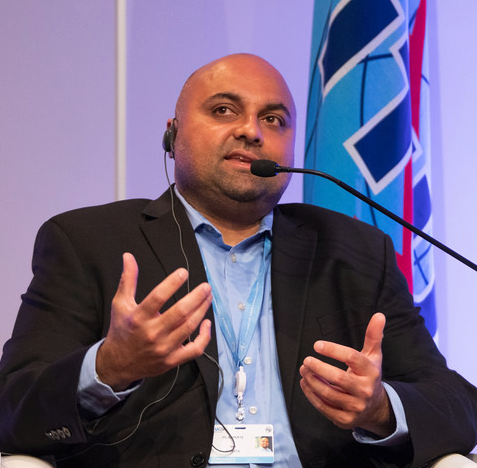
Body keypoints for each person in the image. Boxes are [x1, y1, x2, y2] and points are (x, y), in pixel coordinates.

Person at [0, 53, 476, 468]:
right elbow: (11, 407)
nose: (251, 131)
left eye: (274, 119)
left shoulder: (354, 251)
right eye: (223, 110)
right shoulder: (88, 242)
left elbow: (458, 405)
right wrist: (107, 368)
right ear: (172, 135)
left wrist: (380, 409)